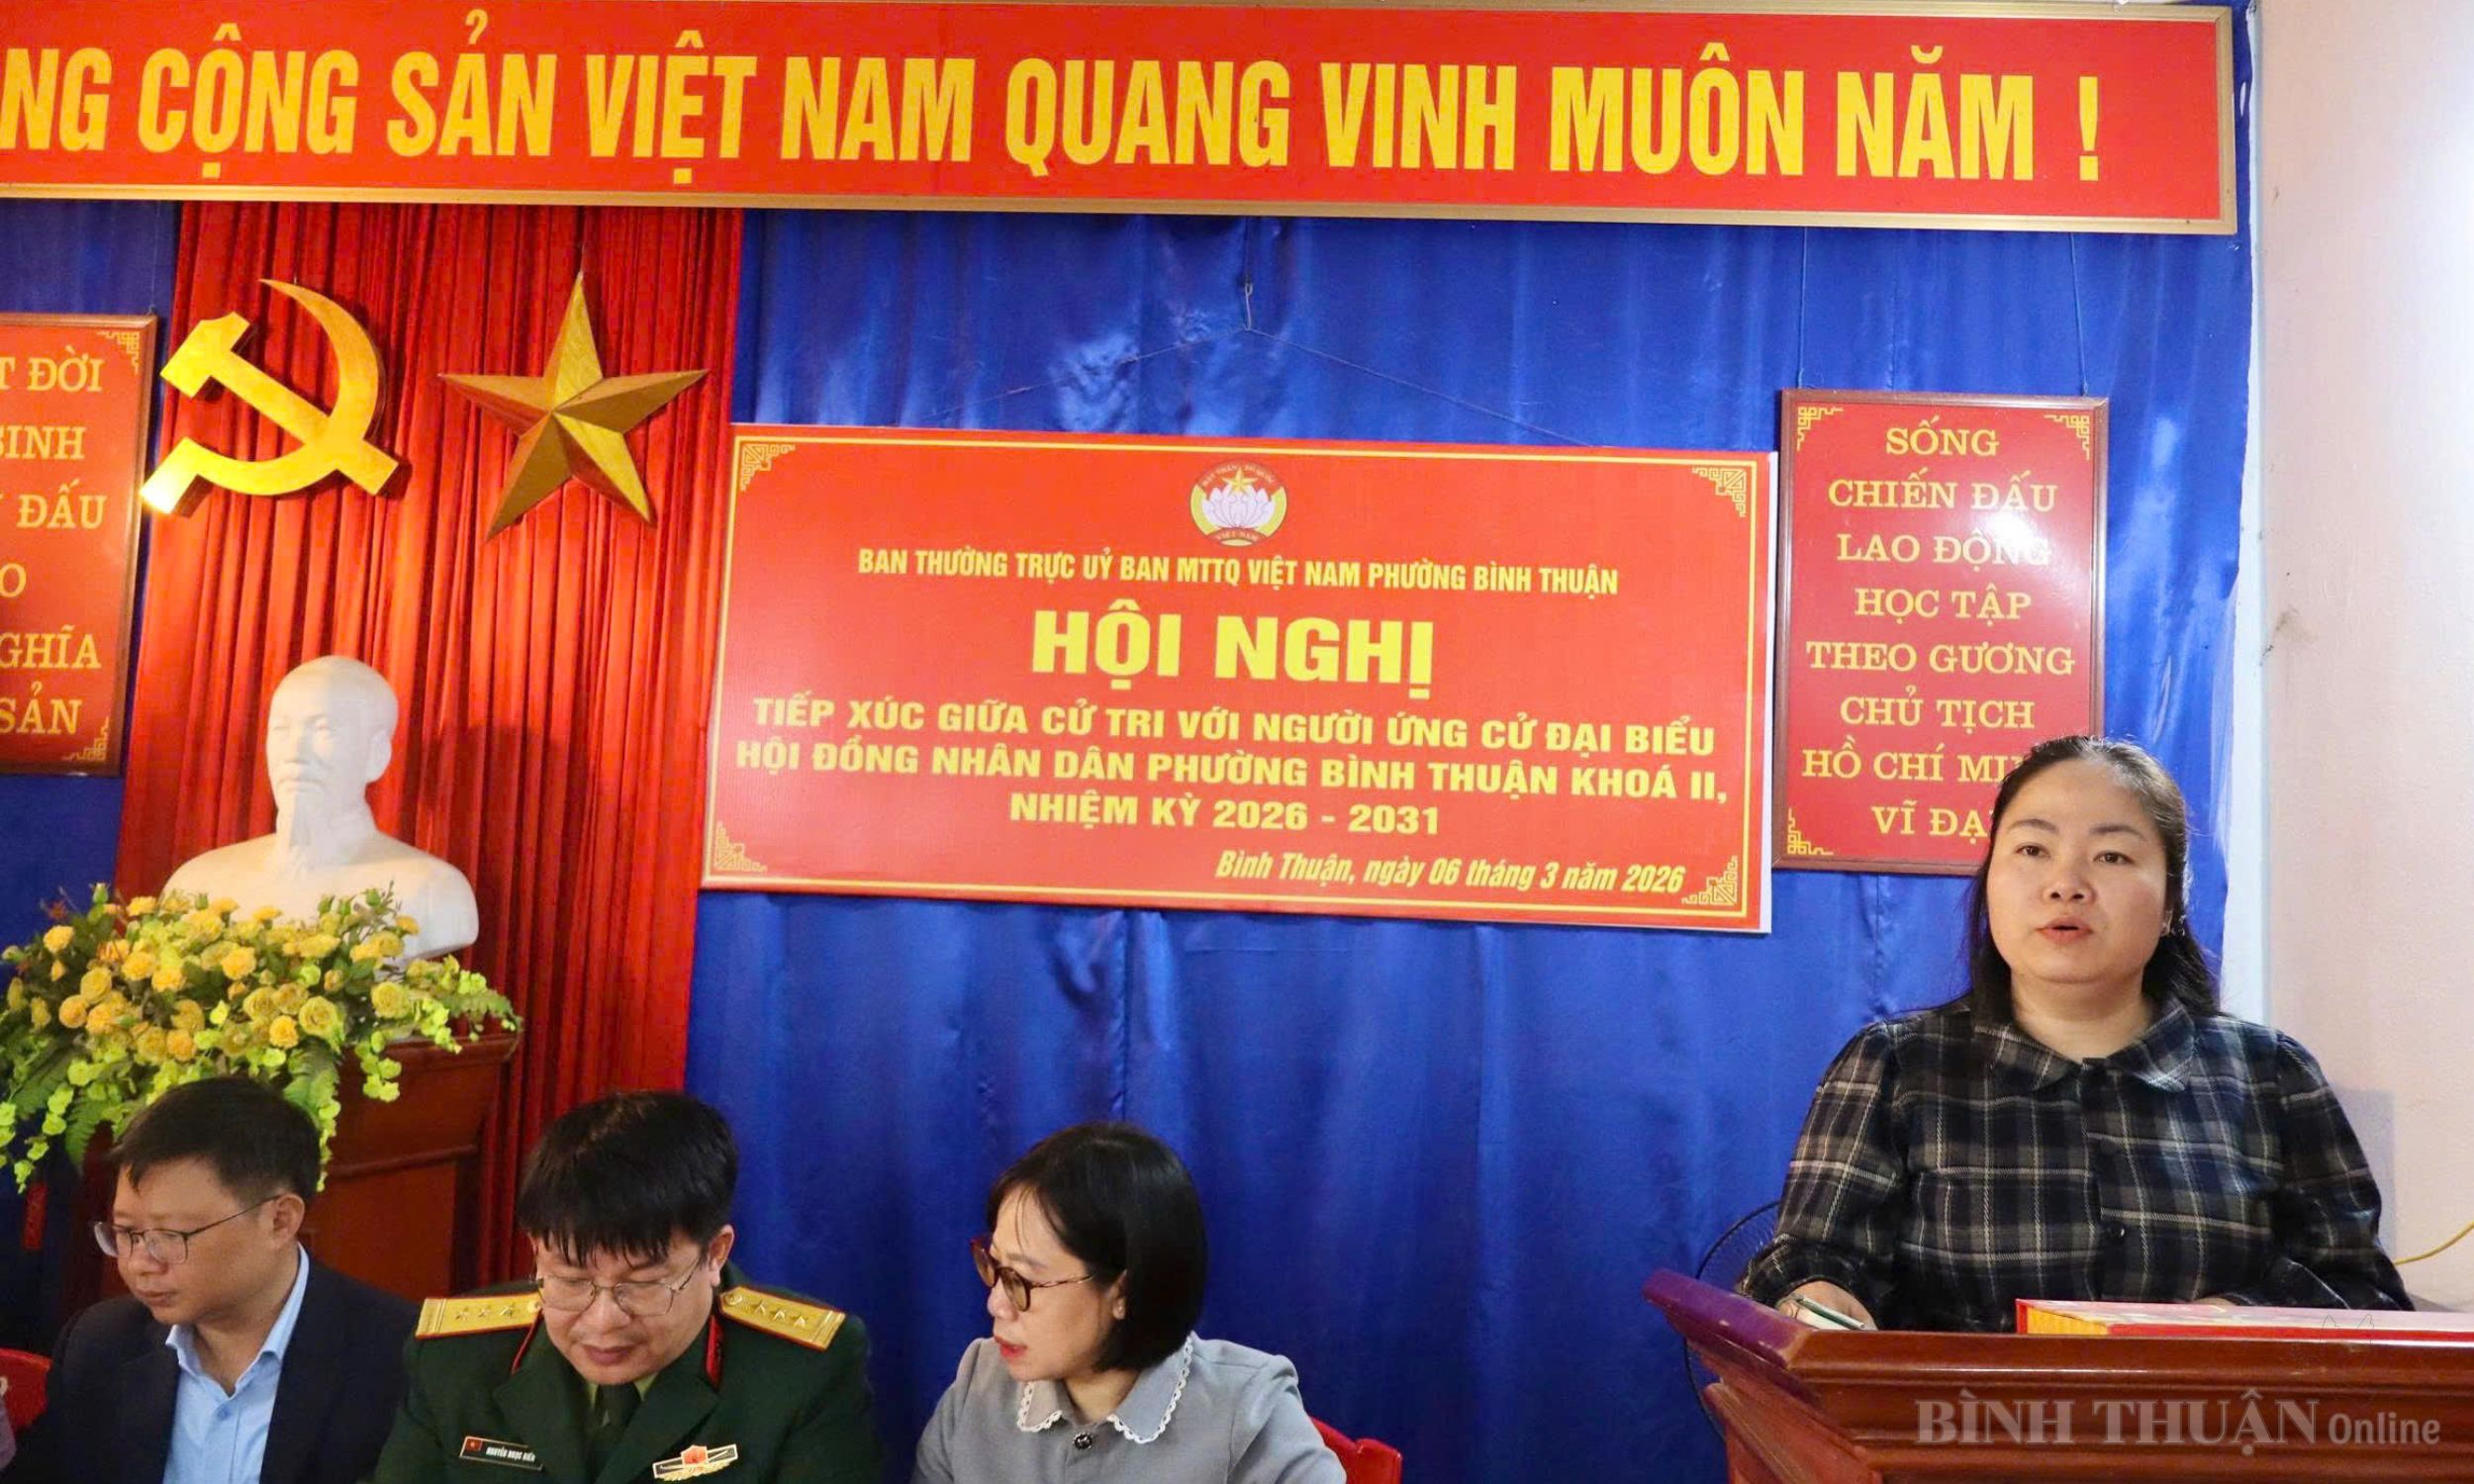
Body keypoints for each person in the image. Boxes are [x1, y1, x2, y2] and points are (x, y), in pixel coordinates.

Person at [1741, 735, 2411, 1333]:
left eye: (2112, 856)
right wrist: (1817, 1300)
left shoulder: (2271, 1075)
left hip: (2213, 1424)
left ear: (2172, 901)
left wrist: (2223, 1323)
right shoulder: (1895, 1064)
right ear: (1991, 881)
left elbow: (2360, 1291)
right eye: (2033, 850)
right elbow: (1807, 1260)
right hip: (1957, 1427)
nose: (2066, 884)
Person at [372, 1090, 879, 1483]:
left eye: (643, 1284)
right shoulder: (456, 1359)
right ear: (536, 1250)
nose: (603, 1321)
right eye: (572, 1280)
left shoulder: (800, 1374)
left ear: (715, 1255)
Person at [10, 1075, 416, 1484]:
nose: (138, 1263)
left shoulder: (402, 1361)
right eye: (127, 1233)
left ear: (280, 1220)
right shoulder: (101, 1346)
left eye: (171, 1236)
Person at [913, 1122, 1343, 1484]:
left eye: (1022, 1280)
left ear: (1124, 1291)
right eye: (995, 1267)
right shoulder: (980, 1384)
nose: (996, 1305)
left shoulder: (1250, 1410)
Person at [164, 655, 478, 958]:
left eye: (323, 730)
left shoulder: (432, 891)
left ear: (377, 755)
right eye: (282, 730)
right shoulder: (198, 884)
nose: (294, 753)